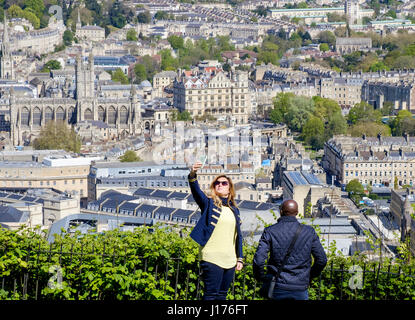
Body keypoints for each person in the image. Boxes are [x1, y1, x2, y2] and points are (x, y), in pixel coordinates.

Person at [188, 161, 244, 300]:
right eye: (217, 183)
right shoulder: (209, 203)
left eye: (224, 183)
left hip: (230, 259)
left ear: (230, 188)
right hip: (212, 257)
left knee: (222, 295)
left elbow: (238, 236)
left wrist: (240, 258)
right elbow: (196, 191)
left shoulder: (234, 209)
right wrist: (193, 174)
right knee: (211, 294)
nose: (220, 184)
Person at [253, 199, 327, 300]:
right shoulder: (309, 232)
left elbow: (259, 260)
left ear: (281, 211)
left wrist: (262, 277)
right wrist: (309, 276)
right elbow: (322, 260)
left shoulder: (270, 231)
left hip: (277, 285)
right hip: (300, 287)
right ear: (297, 212)